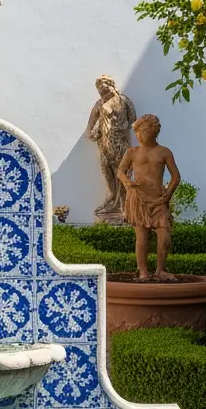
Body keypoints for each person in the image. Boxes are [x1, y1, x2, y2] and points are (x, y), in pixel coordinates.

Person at [119, 113, 181, 280]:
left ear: (154, 131)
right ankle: (143, 271)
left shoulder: (164, 152)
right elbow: (120, 172)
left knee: (165, 236)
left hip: (159, 200)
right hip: (138, 198)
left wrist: (168, 195)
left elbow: (176, 176)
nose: (139, 135)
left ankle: (160, 270)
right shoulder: (132, 152)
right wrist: (127, 183)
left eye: (143, 131)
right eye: (137, 132)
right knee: (142, 236)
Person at [85, 74, 134, 219]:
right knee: (107, 171)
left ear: (113, 86)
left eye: (106, 90)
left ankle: (123, 205)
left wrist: (119, 128)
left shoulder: (124, 101)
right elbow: (90, 127)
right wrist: (95, 132)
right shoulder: (100, 104)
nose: (104, 94)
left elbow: (132, 119)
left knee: (122, 173)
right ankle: (112, 199)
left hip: (121, 143)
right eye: (101, 92)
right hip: (105, 144)